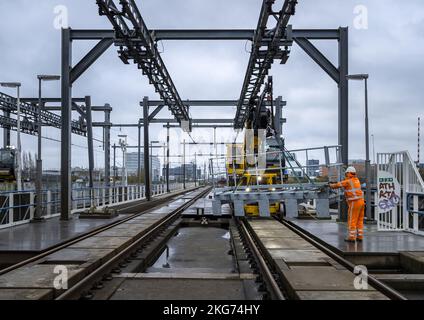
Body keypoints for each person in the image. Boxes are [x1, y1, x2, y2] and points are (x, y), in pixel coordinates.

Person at [330, 167, 365, 242]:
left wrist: (330, 185)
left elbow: (338, 185)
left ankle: (351, 237)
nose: (345, 174)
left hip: (354, 202)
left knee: (352, 219)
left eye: (346, 173)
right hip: (361, 202)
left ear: (348, 173)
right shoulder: (356, 180)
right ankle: (360, 236)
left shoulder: (348, 181)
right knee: (360, 220)